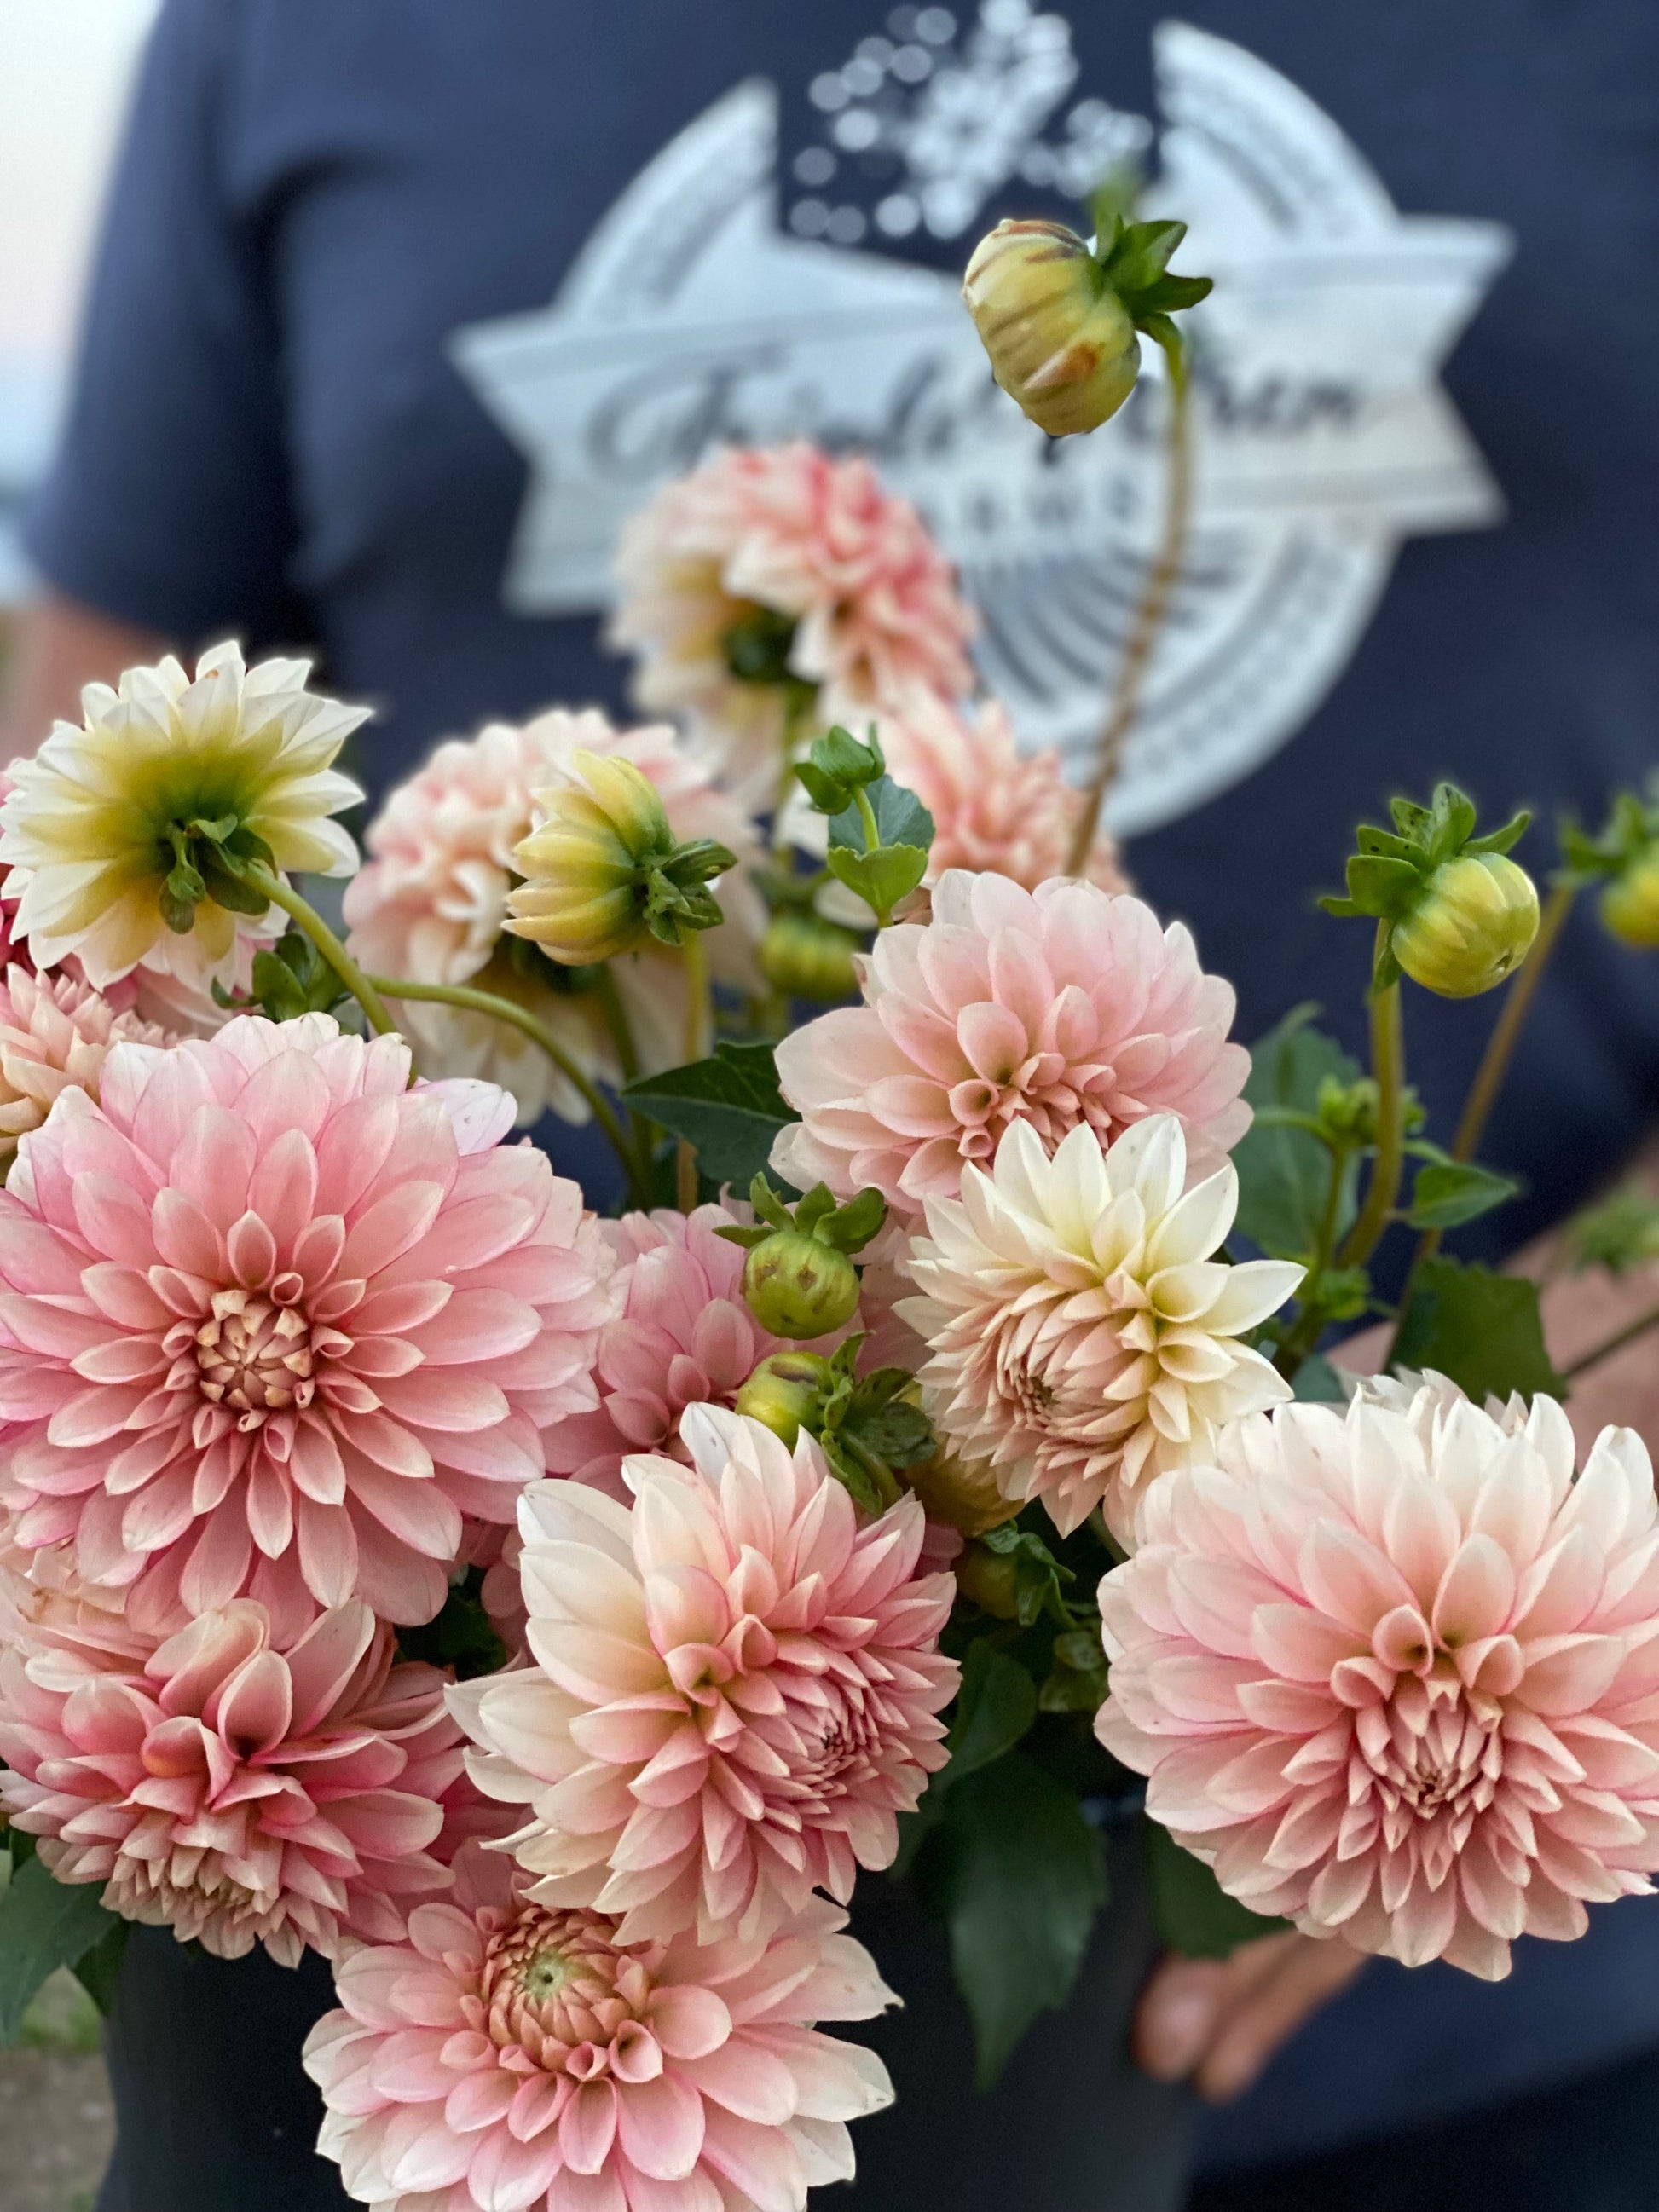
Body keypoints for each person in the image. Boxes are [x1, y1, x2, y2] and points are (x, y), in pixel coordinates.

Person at [2, 3, 1656, 2207]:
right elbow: (78, 818)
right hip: (422, 1886)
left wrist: (1476, 1577)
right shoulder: (290, 36)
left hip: (1475, 1933)